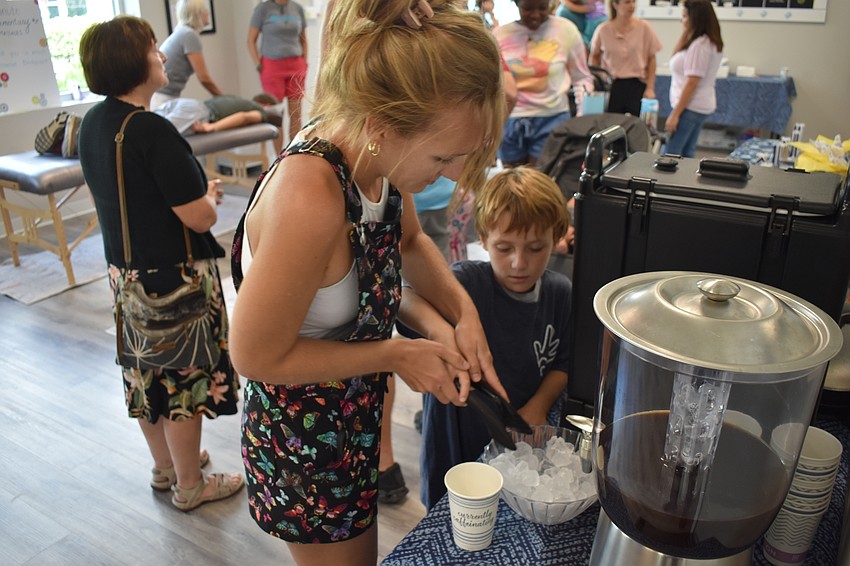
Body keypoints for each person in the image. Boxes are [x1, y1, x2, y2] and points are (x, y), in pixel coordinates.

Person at [228, 1, 508, 563]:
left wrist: (461, 312)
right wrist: (399, 355)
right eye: (443, 155)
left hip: (351, 413)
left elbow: (407, 244)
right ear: (383, 127)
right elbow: (254, 354)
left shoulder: (377, 158)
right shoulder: (311, 196)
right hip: (302, 441)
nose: (453, 173)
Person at [77, 16, 244, 512]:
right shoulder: (151, 130)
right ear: (134, 62)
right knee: (182, 383)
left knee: (146, 376)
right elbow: (198, 217)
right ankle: (191, 486)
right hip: (173, 280)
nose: (162, 56)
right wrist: (209, 199)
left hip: (125, 276)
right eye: (154, 49)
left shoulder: (93, 124)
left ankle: (166, 468)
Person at [400, 166, 572, 510]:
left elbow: (563, 363)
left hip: (520, 443)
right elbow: (401, 300)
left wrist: (537, 407)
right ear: (483, 237)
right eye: (504, 248)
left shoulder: (560, 292)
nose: (519, 263)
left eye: (536, 248)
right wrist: (444, 330)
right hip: (455, 438)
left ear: (557, 239)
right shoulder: (465, 283)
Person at [495, 0, 595, 167]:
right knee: (511, 182)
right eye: (527, 8)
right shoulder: (500, 35)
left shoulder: (566, 30)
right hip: (510, 120)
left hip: (552, 118)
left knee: (541, 181)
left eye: (542, 8)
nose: (535, 15)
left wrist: (582, 115)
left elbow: (582, 77)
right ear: (517, 5)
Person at [664, 0, 723, 158]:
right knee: (686, 153)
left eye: (684, 16)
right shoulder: (705, 42)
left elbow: (692, 82)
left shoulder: (700, 45)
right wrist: (686, 31)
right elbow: (674, 57)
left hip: (690, 107)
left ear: (695, 18)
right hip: (697, 106)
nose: (681, 20)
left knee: (670, 154)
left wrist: (675, 114)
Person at [247, 0, 308, 148]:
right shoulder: (263, 9)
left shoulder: (297, 9)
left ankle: (295, 154)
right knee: (276, 115)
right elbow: (250, 41)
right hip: (272, 66)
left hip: (296, 65)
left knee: (296, 115)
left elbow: (303, 39)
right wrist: (258, 64)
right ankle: (278, 160)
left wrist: (304, 61)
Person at [589, 0, 662, 116]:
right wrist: (595, 82)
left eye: (633, 2)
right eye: (627, 2)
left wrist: (650, 87)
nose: (632, 6)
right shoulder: (603, 30)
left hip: (637, 84)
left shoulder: (644, 27)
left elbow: (651, 59)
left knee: (637, 127)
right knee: (610, 126)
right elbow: (594, 57)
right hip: (612, 85)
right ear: (615, 5)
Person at [151, 0, 222, 110]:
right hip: (162, 99)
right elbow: (204, 78)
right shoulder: (189, 35)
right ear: (197, 14)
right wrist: (225, 98)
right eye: (205, 10)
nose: (208, 13)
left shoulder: (183, 32)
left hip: (162, 97)